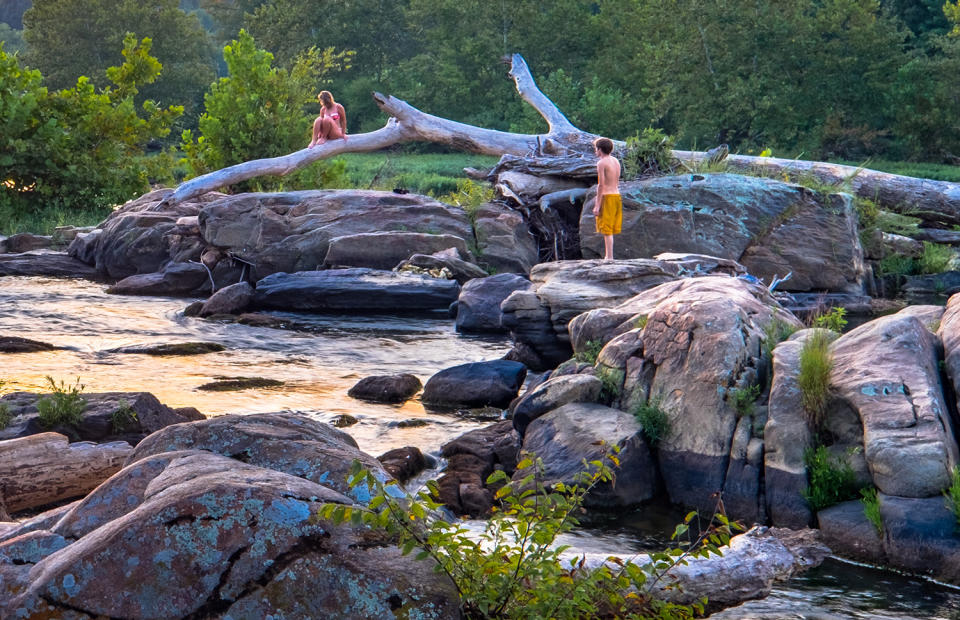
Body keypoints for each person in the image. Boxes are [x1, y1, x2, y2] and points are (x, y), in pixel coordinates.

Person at [592, 137, 622, 260]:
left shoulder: (601, 163)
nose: (595, 152)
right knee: (610, 229)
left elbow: (601, 185)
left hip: (607, 197)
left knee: (607, 230)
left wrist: (597, 205)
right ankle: (609, 256)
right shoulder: (616, 161)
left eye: (596, 149)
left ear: (600, 149)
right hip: (616, 195)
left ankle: (609, 257)